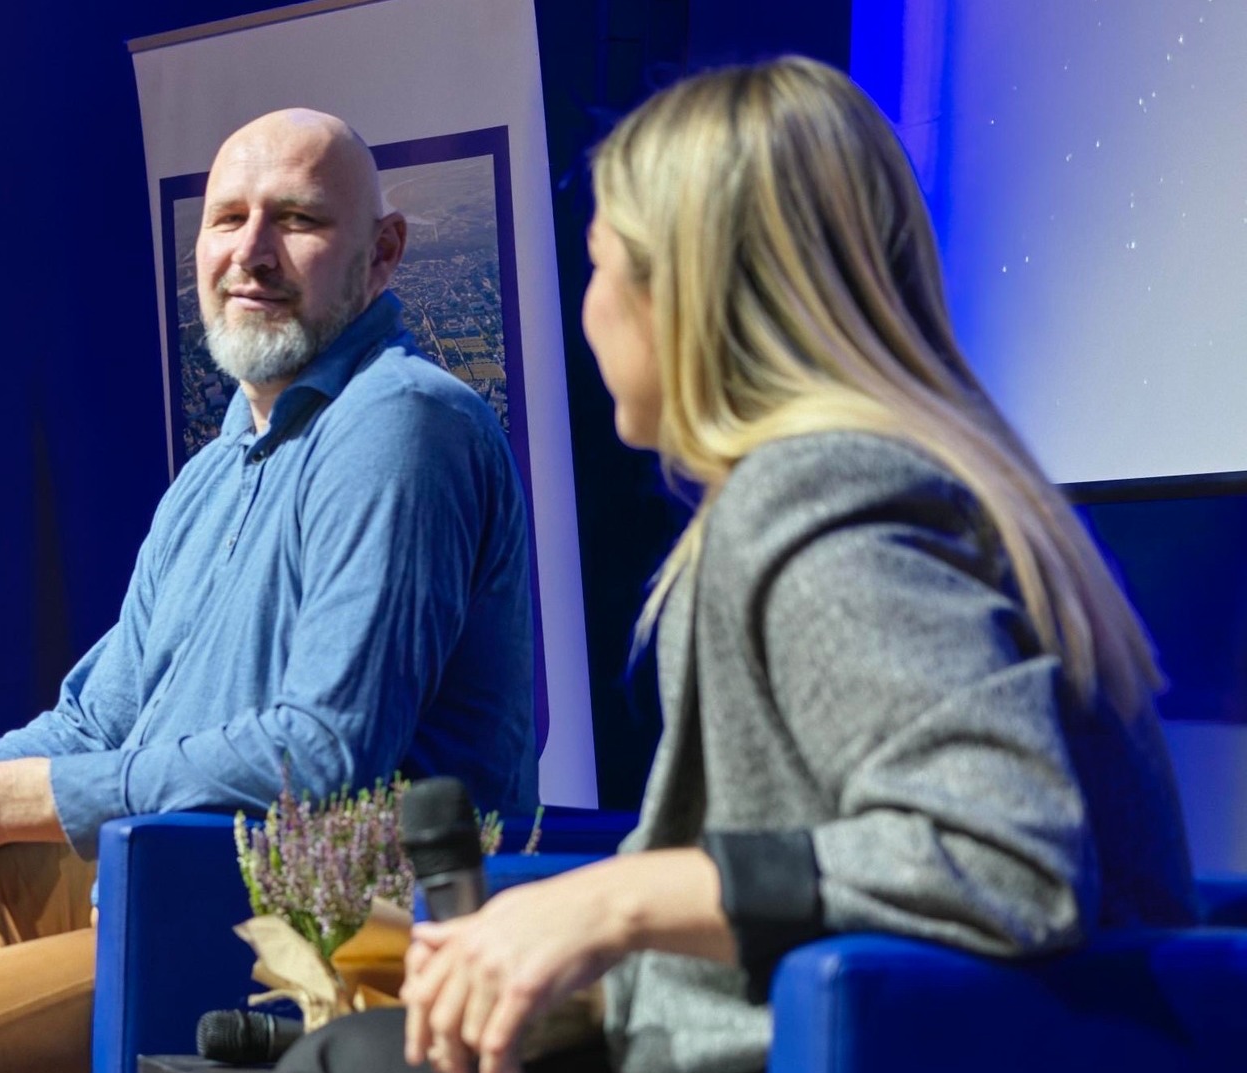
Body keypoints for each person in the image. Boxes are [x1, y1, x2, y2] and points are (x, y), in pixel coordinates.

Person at [278, 56, 1197, 1073]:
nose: (588, 309)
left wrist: (614, 902)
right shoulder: (908, 486)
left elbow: (1002, 854)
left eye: (600, 265)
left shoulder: (820, 505)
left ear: (685, 293)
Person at [0, 107, 539, 1073]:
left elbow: (325, 752)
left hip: (306, 923)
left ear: (383, 252)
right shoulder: (214, 471)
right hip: (146, 875)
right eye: (227, 219)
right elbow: (96, 720)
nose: (251, 252)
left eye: (297, 219)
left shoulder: (401, 423)